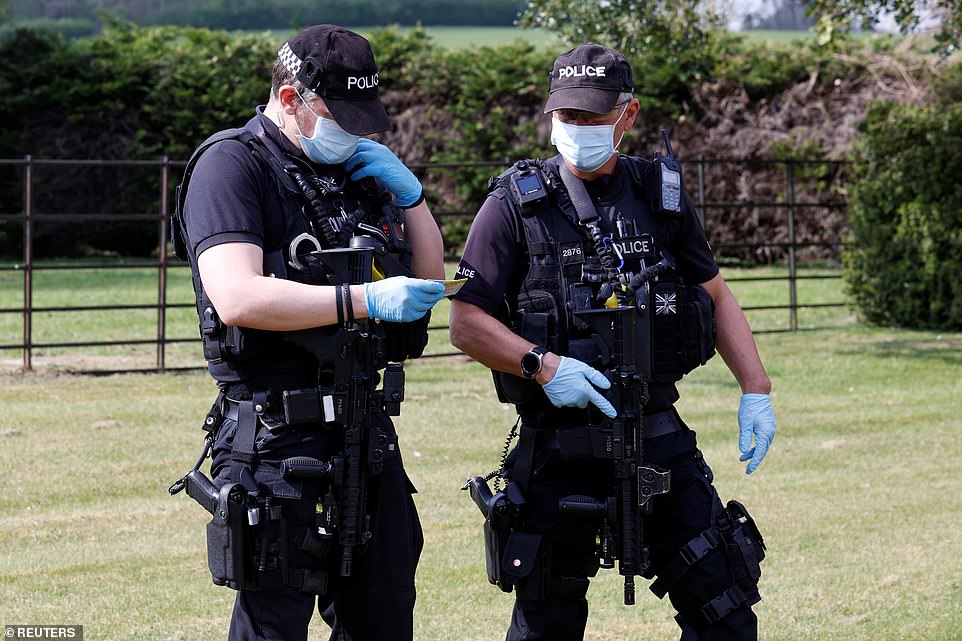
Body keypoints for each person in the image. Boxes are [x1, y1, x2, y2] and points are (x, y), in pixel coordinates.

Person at [449, 43, 776, 640]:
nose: (576, 129)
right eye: (566, 116)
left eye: (593, 117)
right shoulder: (513, 205)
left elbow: (717, 294)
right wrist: (542, 366)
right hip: (558, 443)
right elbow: (466, 320)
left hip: (657, 434)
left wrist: (756, 388)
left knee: (725, 610)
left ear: (628, 115)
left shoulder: (661, 195)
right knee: (546, 621)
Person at [171, 24, 445, 641]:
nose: (354, 131)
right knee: (274, 624)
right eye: (340, 114)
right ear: (291, 98)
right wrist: (364, 299)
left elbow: (428, 280)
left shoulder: (357, 173)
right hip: (276, 442)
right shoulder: (231, 165)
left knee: (384, 620)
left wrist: (413, 198)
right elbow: (238, 295)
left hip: (364, 434)